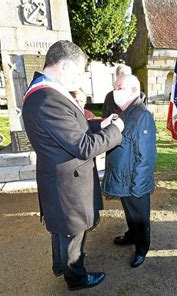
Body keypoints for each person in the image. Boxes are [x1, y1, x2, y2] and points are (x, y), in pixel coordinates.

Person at [22, 40, 124, 291]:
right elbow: (83, 147)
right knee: (72, 232)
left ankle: (60, 266)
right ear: (64, 66)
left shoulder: (42, 92)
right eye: (79, 72)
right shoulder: (48, 98)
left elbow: (69, 130)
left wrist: (99, 124)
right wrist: (115, 130)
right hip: (67, 183)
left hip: (58, 177)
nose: (80, 80)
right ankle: (76, 278)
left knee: (60, 229)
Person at [102, 74, 157, 268]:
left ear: (134, 90)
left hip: (135, 180)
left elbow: (147, 156)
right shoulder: (122, 112)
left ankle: (142, 247)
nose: (115, 91)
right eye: (115, 87)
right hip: (123, 178)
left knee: (140, 216)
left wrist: (139, 186)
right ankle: (132, 235)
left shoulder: (142, 115)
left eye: (120, 87)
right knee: (129, 212)